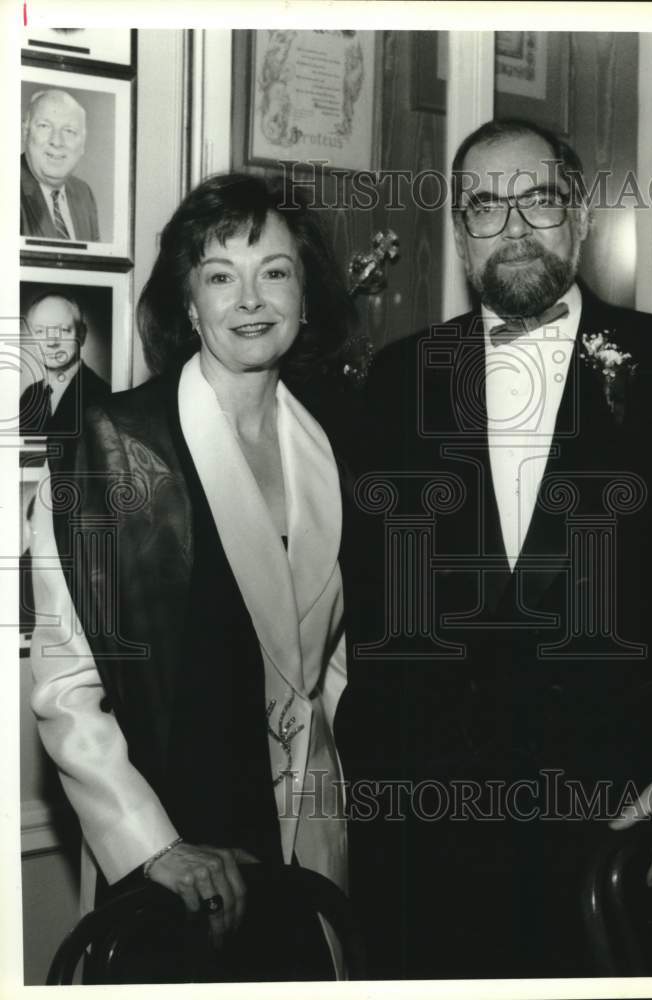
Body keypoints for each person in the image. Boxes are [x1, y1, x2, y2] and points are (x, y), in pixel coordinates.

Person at [336, 119, 652, 978]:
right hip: (439, 843)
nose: (514, 226)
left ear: (582, 216)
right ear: (458, 233)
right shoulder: (397, 379)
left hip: (628, 821)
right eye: (486, 206)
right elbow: (375, 611)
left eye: (539, 200)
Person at [29, 173, 355, 981]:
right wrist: (156, 847)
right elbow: (66, 689)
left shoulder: (338, 442)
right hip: (181, 867)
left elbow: (334, 662)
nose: (250, 299)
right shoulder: (105, 446)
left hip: (311, 851)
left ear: (306, 296)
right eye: (220, 275)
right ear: (188, 301)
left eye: (274, 271)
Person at [18, 292, 109, 440]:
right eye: (40, 331)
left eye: (63, 330)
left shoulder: (103, 397)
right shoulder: (28, 397)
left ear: (82, 334)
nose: (51, 342)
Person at [21, 89, 100, 242]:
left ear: (82, 144)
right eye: (45, 126)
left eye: (69, 131)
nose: (56, 141)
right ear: (25, 132)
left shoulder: (84, 194)